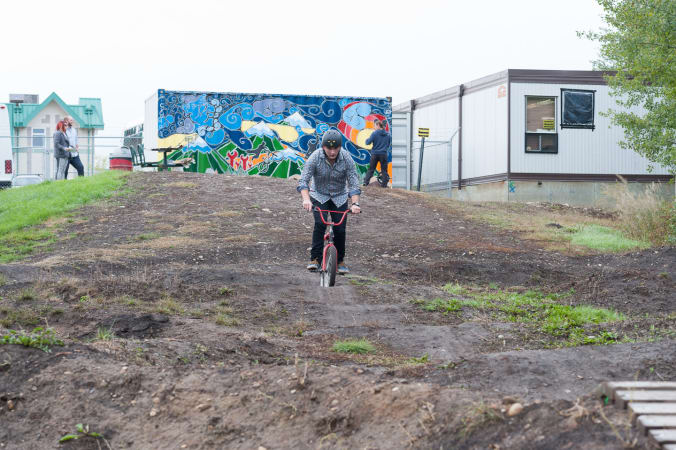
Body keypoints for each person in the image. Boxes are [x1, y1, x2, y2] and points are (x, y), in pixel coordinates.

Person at [297, 129, 361, 274]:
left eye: (335, 148)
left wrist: (355, 203)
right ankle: (315, 259)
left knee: (340, 229)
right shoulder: (315, 157)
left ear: (340, 147)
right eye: (329, 148)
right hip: (319, 195)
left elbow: (353, 182)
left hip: (339, 196)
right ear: (323, 147)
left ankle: (339, 261)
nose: (332, 152)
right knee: (320, 224)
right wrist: (306, 200)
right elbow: (304, 180)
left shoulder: (346, 158)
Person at [363, 119, 391, 187]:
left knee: (371, 169)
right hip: (383, 154)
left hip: (375, 154)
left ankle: (365, 183)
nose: (374, 127)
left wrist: (367, 139)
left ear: (378, 125)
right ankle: (384, 185)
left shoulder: (374, 133)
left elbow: (367, 142)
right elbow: (388, 144)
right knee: (384, 170)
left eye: (375, 126)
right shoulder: (388, 134)